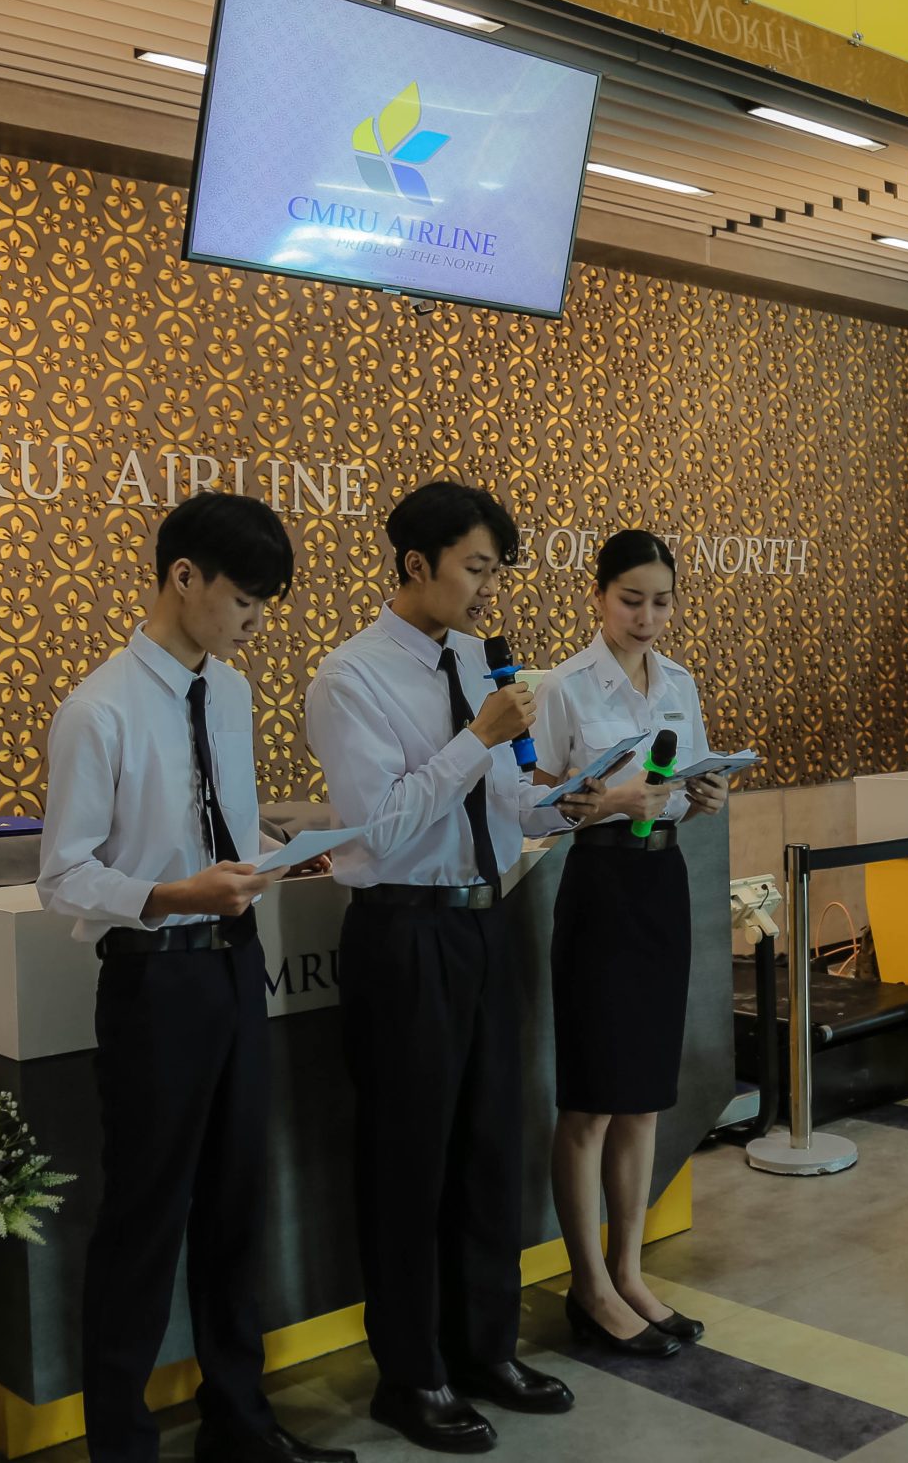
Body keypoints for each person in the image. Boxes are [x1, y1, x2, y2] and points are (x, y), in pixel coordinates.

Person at [37, 494, 353, 1463]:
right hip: (154, 985)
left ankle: (240, 1423)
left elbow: (223, 826)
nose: (255, 620)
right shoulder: (97, 709)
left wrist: (270, 858)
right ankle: (122, 1446)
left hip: (234, 967)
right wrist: (175, 894)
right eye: (244, 598)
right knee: (144, 1220)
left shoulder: (232, 694)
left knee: (234, 1204)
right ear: (183, 578)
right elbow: (63, 876)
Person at [304, 482, 574, 1455]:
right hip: (405, 933)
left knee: (491, 1147)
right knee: (408, 1162)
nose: (487, 589)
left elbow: (503, 802)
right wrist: (478, 738)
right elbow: (380, 826)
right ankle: (410, 1374)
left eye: (495, 571)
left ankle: (485, 1349)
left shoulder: (475, 663)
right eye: (475, 568)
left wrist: (569, 804)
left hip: (486, 923)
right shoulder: (350, 678)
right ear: (416, 564)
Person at [533, 532, 733, 1361]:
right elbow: (534, 803)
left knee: (644, 1096)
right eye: (631, 599)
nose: (647, 617)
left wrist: (704, 795)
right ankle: (588, 1286)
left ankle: (628, 1272)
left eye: (661, 601)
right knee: (592, 1099)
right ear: (598, 596)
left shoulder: (679, 682)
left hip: (662, 884)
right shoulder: (565, 687)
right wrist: (611, 801)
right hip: (601, 886)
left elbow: (683, 788)